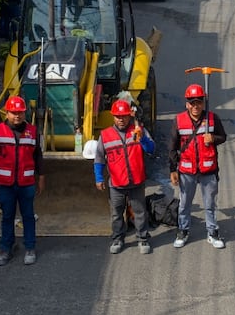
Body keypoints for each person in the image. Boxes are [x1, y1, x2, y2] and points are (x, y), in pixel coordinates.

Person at [0, 96, 45, 266]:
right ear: (7, 113)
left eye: (20, 112)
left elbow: (38, 155)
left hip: (26, 183)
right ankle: (6, 249)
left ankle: (30, 247)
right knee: (7, 217)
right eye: (13, 113)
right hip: (5, 184)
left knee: (28, 216)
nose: (17, 116)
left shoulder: (32, 131)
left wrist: (41, 177)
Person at [170, 84, 228, 249]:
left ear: (203, 102)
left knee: (210, 204)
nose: (195, 106)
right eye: (192, 103)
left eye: (199, 102)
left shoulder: (212, 118)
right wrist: (172, 169)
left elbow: (223, 136)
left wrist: (213, 139)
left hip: (208, 170)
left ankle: (212, 231)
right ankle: (183, 230)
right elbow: (172, 147)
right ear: (187, 103)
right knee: (184, 204)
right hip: (186, 171)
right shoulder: (179, 120)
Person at [95, 99, 156, 254]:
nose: (121, 119)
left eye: (124, 116)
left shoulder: (138, 130)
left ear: (129, 116)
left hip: (136, 181)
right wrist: (99, 178)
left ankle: (142, 239)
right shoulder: (105, 135)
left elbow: (151, 149)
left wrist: (142, 138)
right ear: (113, 117)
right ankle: (117, 238)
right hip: (116, 183)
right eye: (117, 116)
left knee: (139, 211)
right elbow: (100, 158)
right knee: (116, 213)